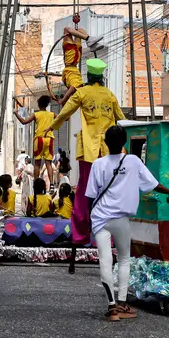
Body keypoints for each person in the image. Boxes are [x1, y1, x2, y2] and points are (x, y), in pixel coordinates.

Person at [86, 126, 169, 321]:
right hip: (121, 219)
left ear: (105, 143)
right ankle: (123, 304)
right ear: (124, 143)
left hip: (100, 217)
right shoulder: (133, 162)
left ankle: (111, 308)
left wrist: (87, 220)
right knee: (124, 259)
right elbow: (154, 185)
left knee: (105, 260)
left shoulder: (98, 164)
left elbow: (90, 196)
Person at [48, 58, 125, 260]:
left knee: (84, 192)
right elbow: (121, 118)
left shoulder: (82, 93)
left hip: (89, 150)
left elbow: (65, 112)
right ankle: (107, 238)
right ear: (102, 77)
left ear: (89, 76)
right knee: (108, 193)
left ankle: (80, 236)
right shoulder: (110, 95)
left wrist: (52, 127)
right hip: (109, 150)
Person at [14, 95, 56, 192]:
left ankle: (36, 183)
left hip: (39, 139)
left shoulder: (36, 114)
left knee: (37, 163)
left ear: (39, 104)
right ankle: (52, 185)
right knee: (48, 163)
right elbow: (63, 118)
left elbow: (24, 122)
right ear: (47, 104)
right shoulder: (51, 114)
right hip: (49, 139)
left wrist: (16, 113)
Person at [59, 25, 90, 106]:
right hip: (71, 59)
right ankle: (88, 39)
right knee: (67, 29)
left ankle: (89, 39)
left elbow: (72, 88)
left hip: (75, 59)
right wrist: (64, 100)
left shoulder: (80, 83)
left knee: (79, 30)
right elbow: (73, 87)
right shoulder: (77, 85)